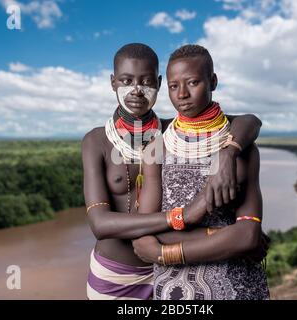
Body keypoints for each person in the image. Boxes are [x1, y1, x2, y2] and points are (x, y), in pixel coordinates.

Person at [81, 43, 263, 300]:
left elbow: (249, 121)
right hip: (118, 273)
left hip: (167, 274)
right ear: (113, 83)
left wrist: (228, 153)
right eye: (126, 81)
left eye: (145, 82)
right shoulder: (97, 141)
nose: (136, 90)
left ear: (157, 84)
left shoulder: (171, 131)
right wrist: (185, 218)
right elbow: (100, 224)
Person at [132, 44, 270, 300]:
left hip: (236, 287)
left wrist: (164, 253)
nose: (182, 94)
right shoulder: (156, 147)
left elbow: (248, 237)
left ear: (213, 81)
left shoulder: (242, 148)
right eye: (174, 86)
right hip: (173, 290)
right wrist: (223, 236)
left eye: (193, 82)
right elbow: (144, 232)